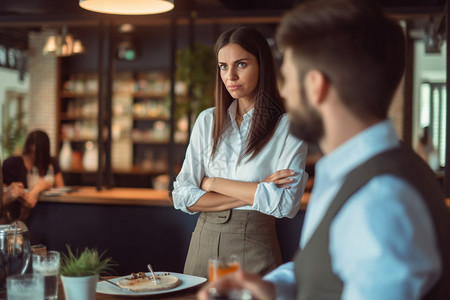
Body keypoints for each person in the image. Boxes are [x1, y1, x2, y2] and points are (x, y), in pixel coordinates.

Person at [198, 1, 450, 299]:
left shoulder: (381, 199)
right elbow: (335, 266)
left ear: (316, 86)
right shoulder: (356, 171)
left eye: (288, 79)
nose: (285, 93)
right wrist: (276, 287)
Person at [172, 26, 308, 278]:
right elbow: (182, 196)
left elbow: (285, 204)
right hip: (203, 241)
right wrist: (258, 188)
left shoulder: (288, 126)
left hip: (254, 244)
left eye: (241, 64)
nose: (230, 75)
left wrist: (213, 183)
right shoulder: (208, 120)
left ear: (262, 66)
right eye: (223, 66)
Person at [2, 130, 64, 221]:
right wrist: (38, 188)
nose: (33, 155)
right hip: (16, 215)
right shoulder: (11, 164)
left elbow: (61, 188)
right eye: (31, 151)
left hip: (48, 212)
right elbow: (5, 193)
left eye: (37, 151)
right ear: (28, 147)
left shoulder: (51, 162)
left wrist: (38, 189)